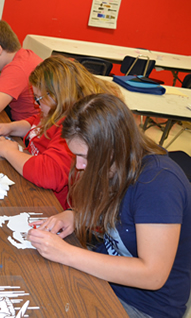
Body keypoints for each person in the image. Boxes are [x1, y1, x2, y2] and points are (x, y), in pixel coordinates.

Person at [28, 93, 191, 318]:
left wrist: (66, 253)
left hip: (144, 306)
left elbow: (153, 275)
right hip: (107, 279)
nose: (81, 165)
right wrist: (74, 215)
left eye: (84, 156)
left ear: (113, 147)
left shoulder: (159, 184)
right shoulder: (117, 164)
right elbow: (122, 216)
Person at [0, 56, 119, 209]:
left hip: (52, 204)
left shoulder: (74, 127)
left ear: (55, 95)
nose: (36, 104)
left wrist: (9, 152)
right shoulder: (56, 110)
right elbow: (39, 122)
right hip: (35, 186)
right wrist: (13, 127)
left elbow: (49, 174)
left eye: (39, 99)